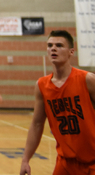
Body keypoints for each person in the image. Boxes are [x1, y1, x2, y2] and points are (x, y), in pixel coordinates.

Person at [20, 30, 95, 175]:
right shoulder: (41, 85)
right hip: (65, 163)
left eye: (59, 45)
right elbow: (37, 124)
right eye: (50, 45)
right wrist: (25, 159)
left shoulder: (88, 80)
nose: (53, 48)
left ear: (71, 52)